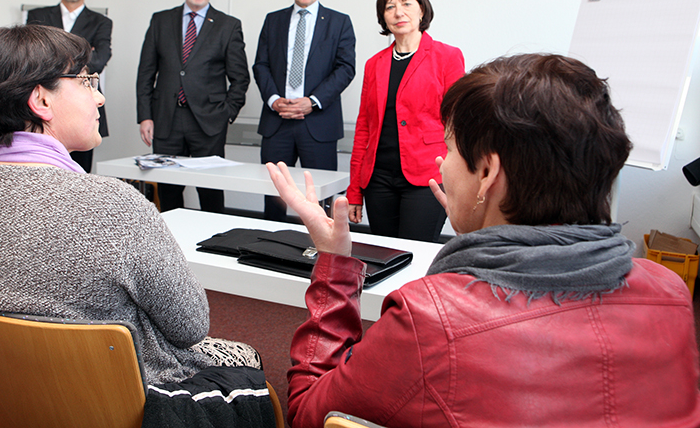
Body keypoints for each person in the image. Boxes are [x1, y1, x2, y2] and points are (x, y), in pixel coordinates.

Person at [267, 53, 700, 427]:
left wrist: (334, 263)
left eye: (450, 148)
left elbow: (310, 413)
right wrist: (483, 227)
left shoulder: (429, 319)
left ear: (488, 174)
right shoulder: (671, 293)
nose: (442, 164)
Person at [0, 25, 261, 388]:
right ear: (42, 101)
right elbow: (190, 326)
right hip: (123, 400)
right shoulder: (114, 205)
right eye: (87, 82)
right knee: (248, 356)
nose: (100, 98)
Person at [347, 0, 464, 243]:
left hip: (427, 177)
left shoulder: (447, 57)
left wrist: (461, 181)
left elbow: (459, 124)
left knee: (415, 254)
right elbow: (364, 127)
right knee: (384, 255)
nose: (399, 12)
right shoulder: (374, 64)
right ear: (383, 17)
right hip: (378, 180)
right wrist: (354, 190)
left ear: (422, 9)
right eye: (390, 7)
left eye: (406, 4)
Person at [136, 0, 249, 214]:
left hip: (209, 122)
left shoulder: (228, 25)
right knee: (168, 191)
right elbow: (146, 73)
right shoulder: (161, 21)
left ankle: (213, 245)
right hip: (166, 119)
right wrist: (145, 116)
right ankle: (172, 248)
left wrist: (226, 114)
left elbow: (240, 78)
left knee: (210, 193)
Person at [253, 0, 356, 221]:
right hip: (278, 123)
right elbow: (260, 65)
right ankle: (271, 249)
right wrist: (274, 99)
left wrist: (312, 101)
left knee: (319, 201)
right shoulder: (272, 20)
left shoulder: (339, 22)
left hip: (318, 124)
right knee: (274, 198)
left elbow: (346, 68)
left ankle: (320, 254)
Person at [27, 0, 112, 173]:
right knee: (40, 173)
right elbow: (30, 59)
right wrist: (84, 54)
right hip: (43, 108)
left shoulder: (101, 22)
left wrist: (52, 57)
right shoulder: (37, 16)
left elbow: (100, 60)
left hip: (83, 107)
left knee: (80, 175)